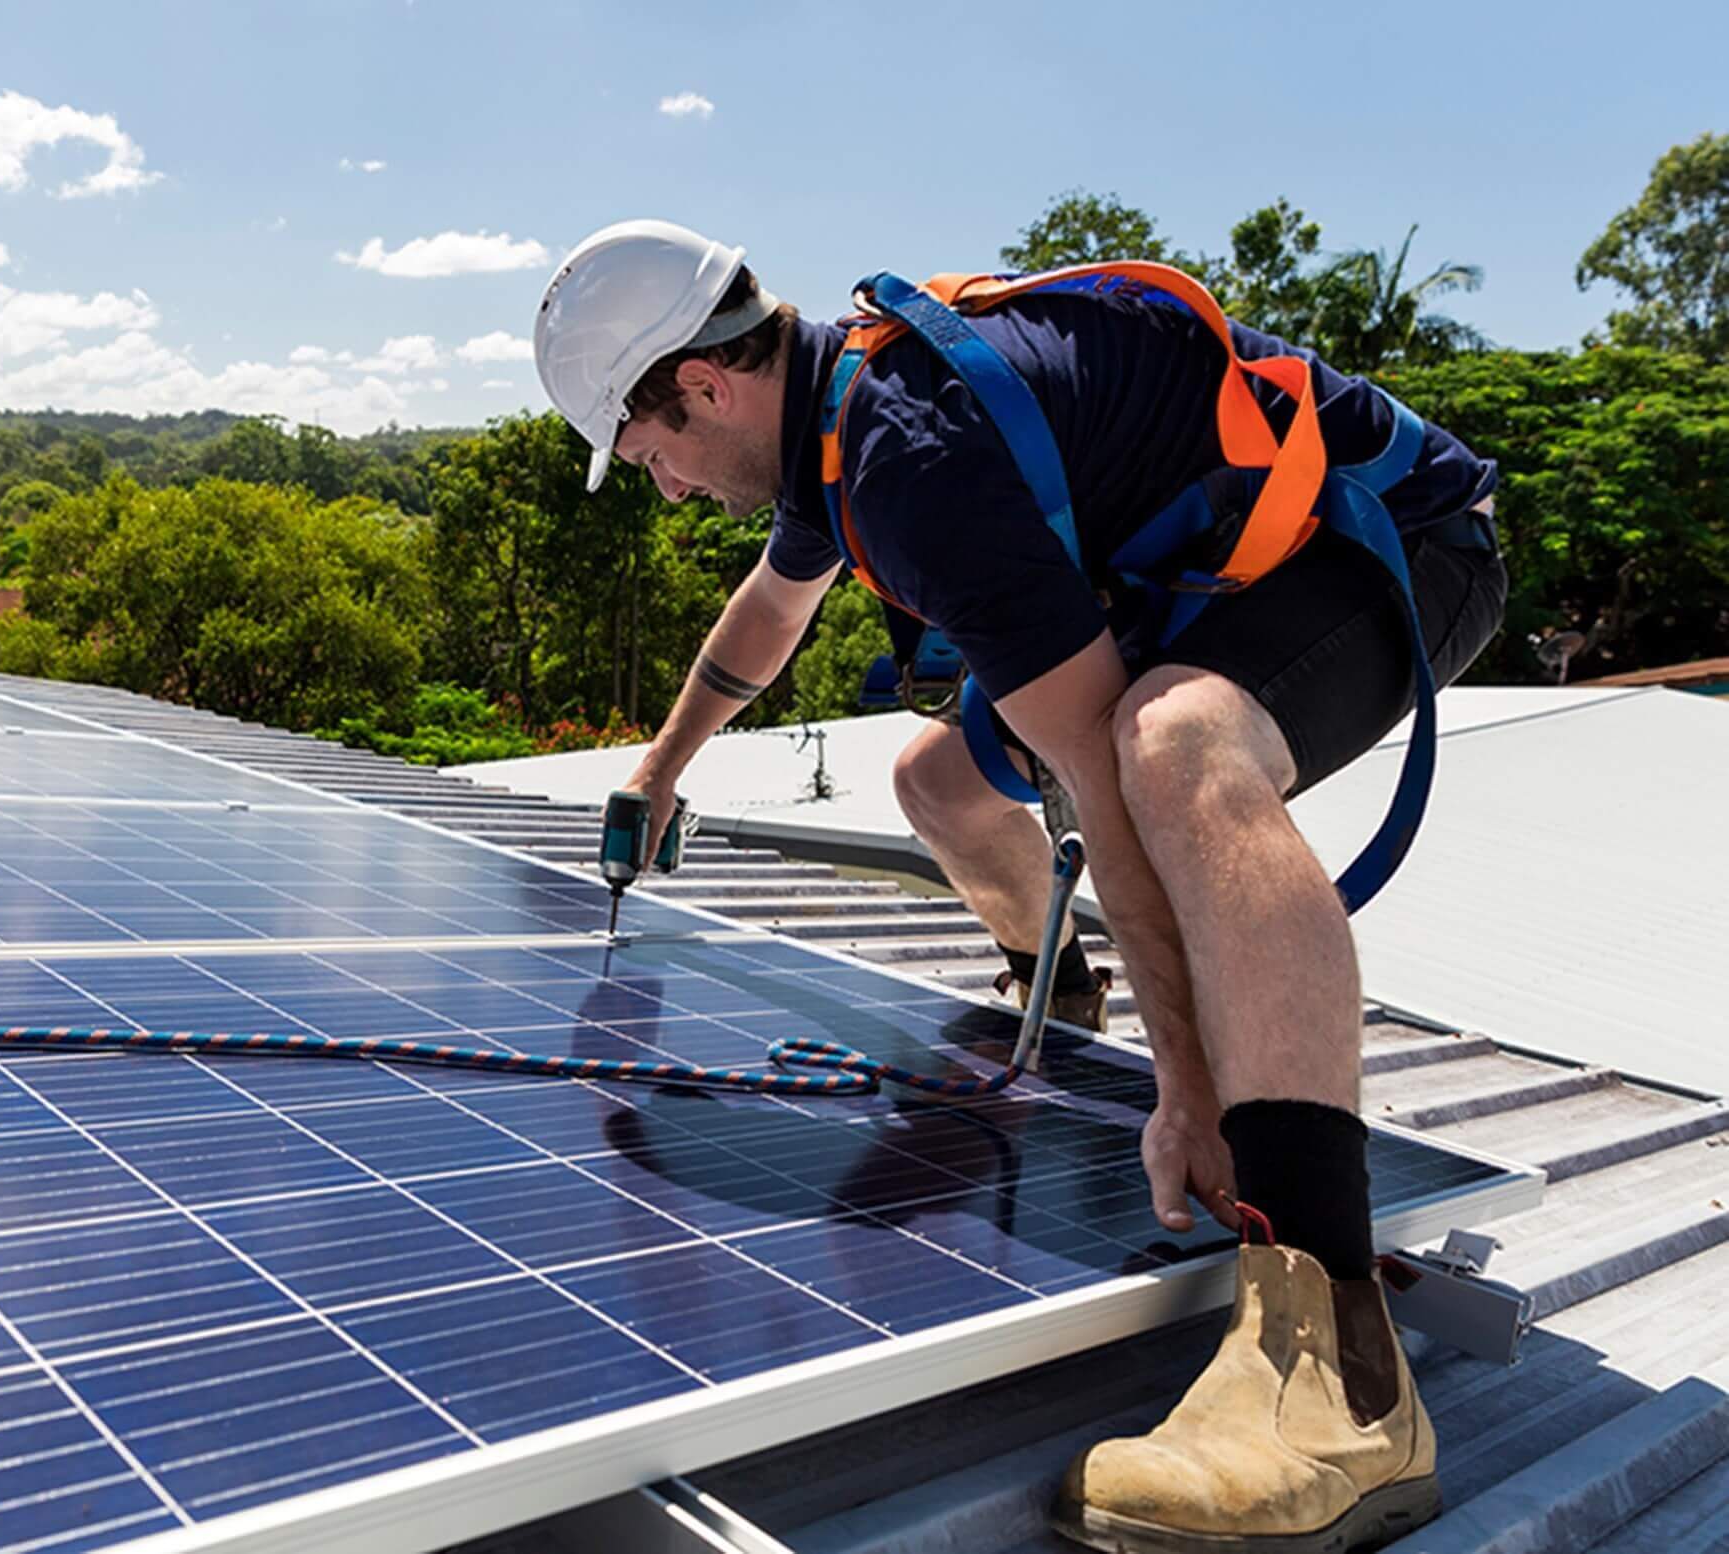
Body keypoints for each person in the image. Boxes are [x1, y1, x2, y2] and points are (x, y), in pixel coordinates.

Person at [533, 219, 1506, 1554]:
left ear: (701, 383)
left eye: (652, 457)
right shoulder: (831, 422)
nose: (668, 490)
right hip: (1206, 580)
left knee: (1170, 746)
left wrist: (1192, 1089)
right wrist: (656, 776)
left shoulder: (909, 460)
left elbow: (1100, 790)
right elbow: (767, 615)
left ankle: (1332, 1365)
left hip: (1390, 543)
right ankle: (1058, 999)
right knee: (938, 781)